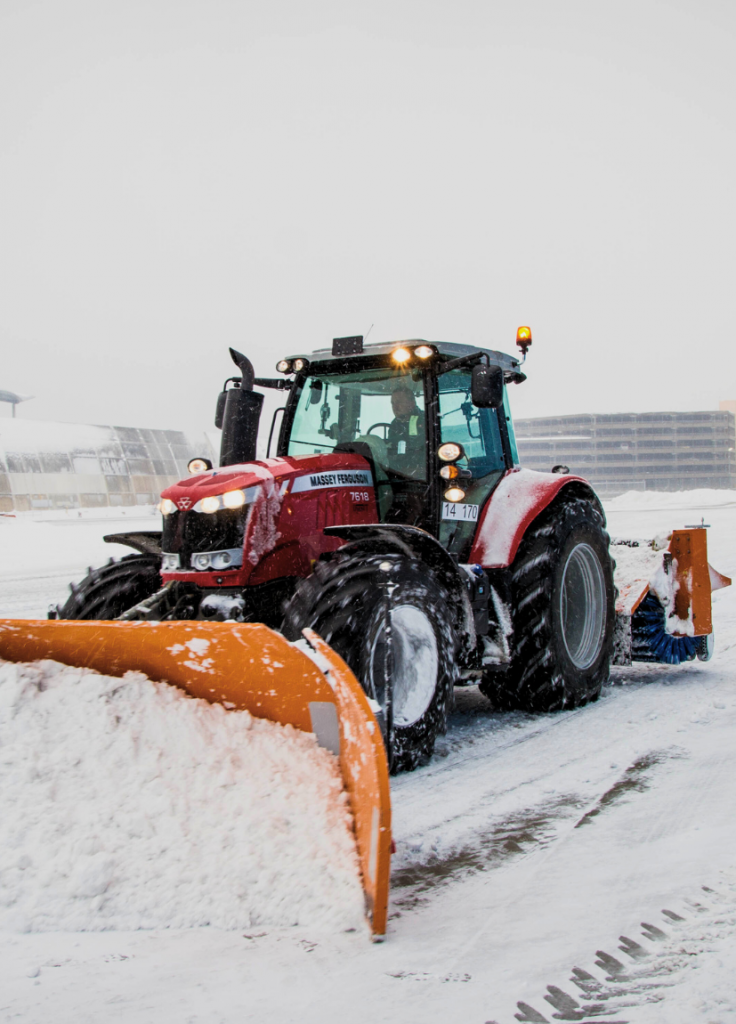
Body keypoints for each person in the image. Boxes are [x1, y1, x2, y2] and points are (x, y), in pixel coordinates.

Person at [387, 385, 426, 479]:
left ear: (412, 403)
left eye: (399, 402)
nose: (395, 407)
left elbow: (425, 451)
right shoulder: (394, 425)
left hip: (421, 476)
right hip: (399, 473)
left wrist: (415, 468)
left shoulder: (425, 420)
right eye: (393, 403)